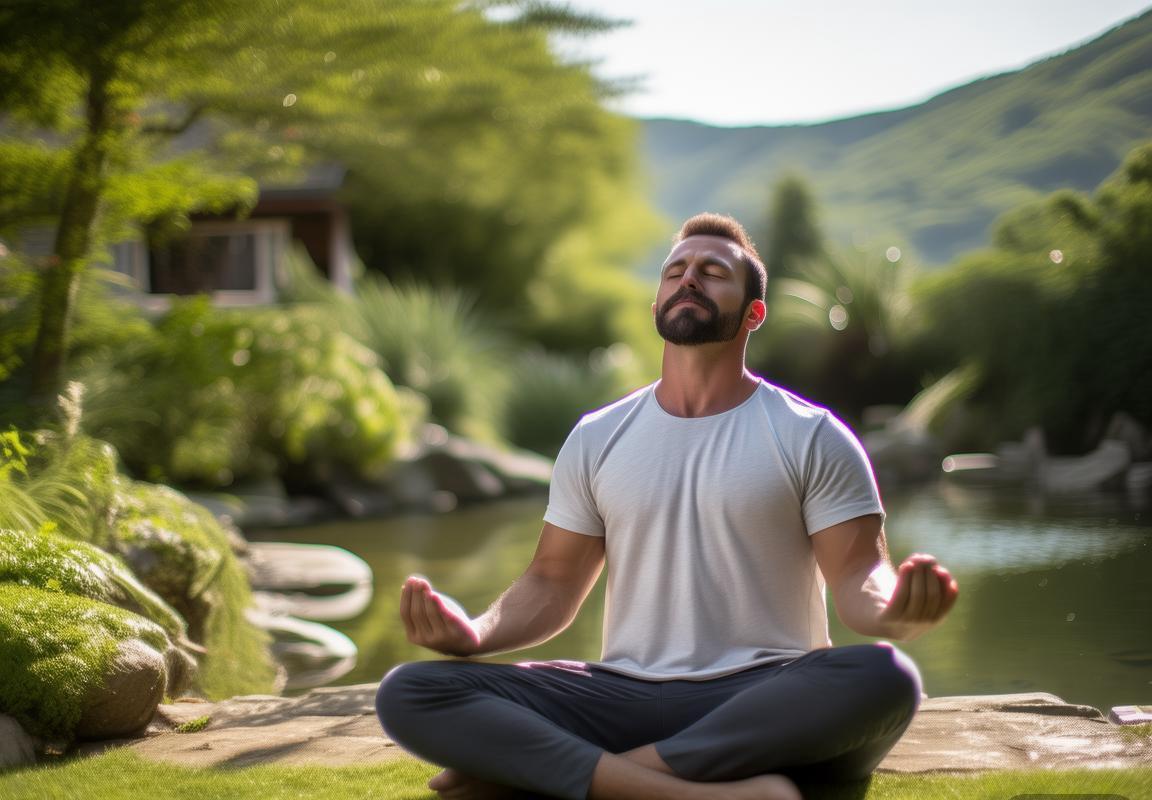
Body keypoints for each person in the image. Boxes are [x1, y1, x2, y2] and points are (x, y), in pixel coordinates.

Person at [376, 213, 958, 800]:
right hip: (620, 692)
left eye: (712, 272)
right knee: (414, 691)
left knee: (883, 677)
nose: (688, 281)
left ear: (753, 313)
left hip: (763, 694)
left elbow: (858, 571)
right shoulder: (597, 436)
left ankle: (571, 776)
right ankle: (703, 792)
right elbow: (552, 582)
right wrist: (473, 635)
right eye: (674, 271)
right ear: (657, 302)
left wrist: (895, 611)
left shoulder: (811, 435)